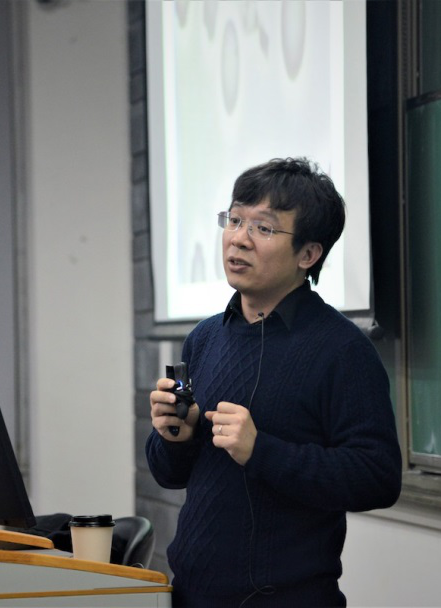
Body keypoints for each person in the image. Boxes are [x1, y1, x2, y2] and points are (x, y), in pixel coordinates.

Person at [146, 157, 402, 607]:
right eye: (234, 220)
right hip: (190, 594)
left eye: (263, 228)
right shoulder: (205, 337)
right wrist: (175, 437)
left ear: (308, 254)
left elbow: (377, 478)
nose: (238, 238)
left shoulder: (341, 349)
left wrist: (261, 451)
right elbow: (169, 476)